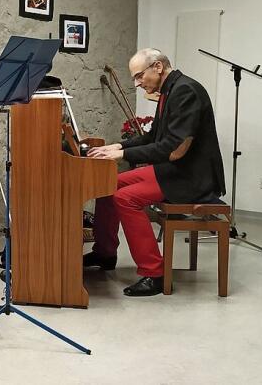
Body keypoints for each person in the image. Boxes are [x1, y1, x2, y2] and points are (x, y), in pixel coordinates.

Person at [86, 48, 225, 297]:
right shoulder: (169, 90)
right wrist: (120, 145)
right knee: (107, 184)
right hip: (174, 171)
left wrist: (124, 155)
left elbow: (174, 149)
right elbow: (154, 137)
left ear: (158, 67)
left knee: (125, 198)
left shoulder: (185, 91)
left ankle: (154, 274)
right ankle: (105, 253)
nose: (138, 83)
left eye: (139, 76)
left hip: (191, 178)